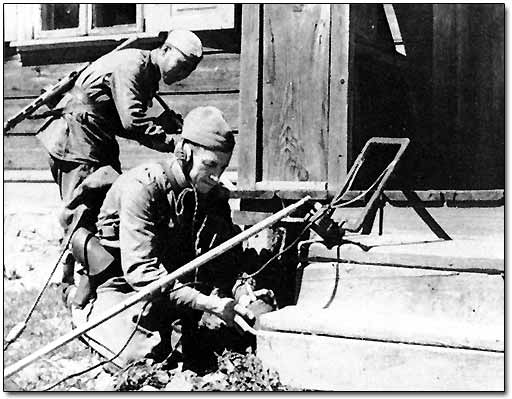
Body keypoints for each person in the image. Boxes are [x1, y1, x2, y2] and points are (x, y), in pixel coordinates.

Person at [66, 106, 259, 369]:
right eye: (210, 165)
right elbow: (141, 274)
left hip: (171, 281)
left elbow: (225, 257)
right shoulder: (143, 188)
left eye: (223, 167)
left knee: (219, 342)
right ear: (185, 153)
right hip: (122, 282)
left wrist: (240, 292)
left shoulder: (211, 193)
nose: (217, 176)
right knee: (140, 357)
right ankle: (81, 308)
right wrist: (207, 303)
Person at [36, 30, 203, 285]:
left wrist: (160, 124)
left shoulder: (144, 70)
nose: (182, 74)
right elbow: (132, 122)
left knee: (104, 206)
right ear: (166, 50)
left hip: (93, 137)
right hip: (78, 140)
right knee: (86, 208)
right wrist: (174, 143)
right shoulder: (133, 65)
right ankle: (77, 284)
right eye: (181, 66)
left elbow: (111, 115)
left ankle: (91, 278)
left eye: (188, 70)